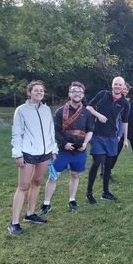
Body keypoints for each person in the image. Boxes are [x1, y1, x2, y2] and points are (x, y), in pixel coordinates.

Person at [8, 80, 58, 235]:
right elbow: (17, 133)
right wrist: (17, 153)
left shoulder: (46, 110)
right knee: (23, 186)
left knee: (37, 182)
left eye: (41, 90)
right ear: (29, 93)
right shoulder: (21, 110)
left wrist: (53, 149)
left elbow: (51, 131)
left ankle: (30, 214)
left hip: (45, 153)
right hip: (28, 153)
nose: (39, 92)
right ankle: (14, 223)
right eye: (36, 90)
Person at [39, 82, 95, 215]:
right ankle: (46, 204)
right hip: (62, 150)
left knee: (75, 175)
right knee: (54, 176)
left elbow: (90, 130)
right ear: (69, 94)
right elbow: (55, 131)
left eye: (80, 92)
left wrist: (85, 143)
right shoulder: (60, 111)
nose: (77, 93)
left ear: (83, 95)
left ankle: (72, 200)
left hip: (79, 151)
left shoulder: (87, 112)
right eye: (74, 91)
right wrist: (64, 143)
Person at [85, 76, 130, 203]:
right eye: (116, 84)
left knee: (108, 166)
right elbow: (89, 107)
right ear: (112, 85)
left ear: (123, 87)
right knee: (97, 162)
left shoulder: (125, 103)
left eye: (120, 85)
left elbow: (125, 121)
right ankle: (89, 193)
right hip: (98, 135)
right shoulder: (103, 94)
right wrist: (98, 115)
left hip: (112, 137)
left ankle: (105, 192)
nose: (118, 86)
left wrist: (125, 139)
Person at [105, 82, 130, 182]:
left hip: (119, 133)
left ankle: (107, 173)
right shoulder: (112, 100)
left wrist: (121, 135)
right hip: (111, 132)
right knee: (109, 154)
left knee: (113, 154)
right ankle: (106, 174)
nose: (125, 91)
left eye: (127, 90)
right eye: (124, 89)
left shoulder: (125, 103)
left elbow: (124, 121)